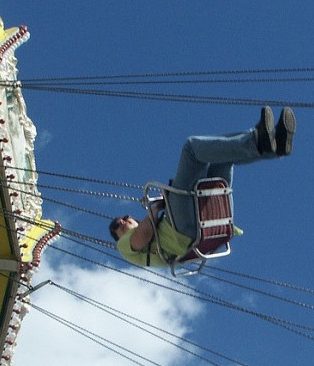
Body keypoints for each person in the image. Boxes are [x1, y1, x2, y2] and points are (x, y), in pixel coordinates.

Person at [110, 106, 295, 268]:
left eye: (126, 217)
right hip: (181, 232)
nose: (125, 220)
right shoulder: (124, 246)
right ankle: (257, 140)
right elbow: (141, 237)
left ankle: (273, 145)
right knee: (192, 148)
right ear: (119, 236)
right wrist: (157, 207)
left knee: (221, 152)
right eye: (119, 224)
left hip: (198, 226)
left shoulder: (153, 227)